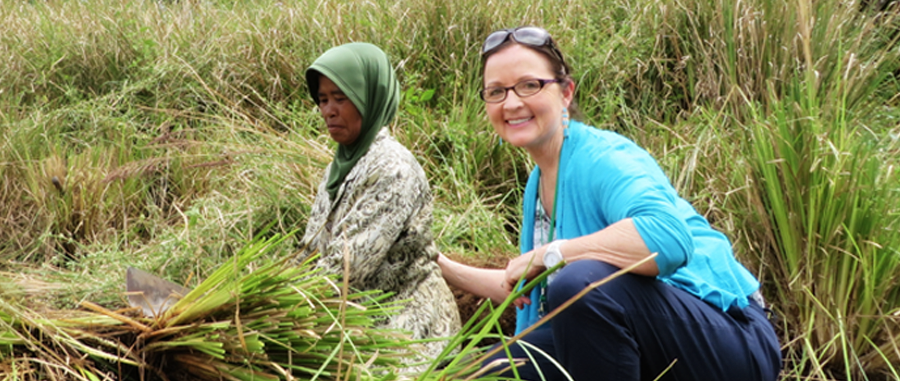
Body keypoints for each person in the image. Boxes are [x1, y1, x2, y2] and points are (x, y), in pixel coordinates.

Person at [437, 26, 781, 380]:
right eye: (496, 92)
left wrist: (550, 254)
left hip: (730, 338)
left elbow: (668, 237)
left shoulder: (603, 158)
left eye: (529, 85)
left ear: (566, 92)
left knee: (580, 283)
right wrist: (439, 264)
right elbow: (522, 286)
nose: (511, 103)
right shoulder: (539, 182)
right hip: (640, 334)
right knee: (480, 372)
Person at [298, 42, 461, 369]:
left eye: (340, 99)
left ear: (369, 98)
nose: (328, 110)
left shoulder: (393, 168)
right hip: (354, 319)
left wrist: (280, 300)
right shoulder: (338, 168)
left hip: (407, 323)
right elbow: (311, 249)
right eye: (323, 99)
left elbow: (346, 267)